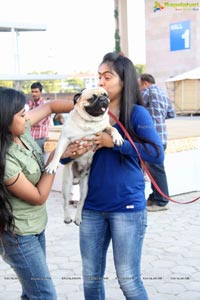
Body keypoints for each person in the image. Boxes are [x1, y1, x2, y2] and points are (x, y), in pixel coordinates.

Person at [60, 52, 164, 300]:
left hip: (126, 208)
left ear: (124, 81)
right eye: (99, 77)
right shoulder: (83, 114)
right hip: (91, 208)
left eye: (107, 77)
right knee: (91, 279)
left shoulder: (136, 114)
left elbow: (156, 153)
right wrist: (68, 153)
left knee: (128, 280)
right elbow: (65, 156)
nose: (101, 82)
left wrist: (115, 143)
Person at [0, 87, 82, 299]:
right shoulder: (5, 161)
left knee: (32, 293)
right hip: (18, 236)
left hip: (36, 227)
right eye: (21, 114)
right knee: (45, 295)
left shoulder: (21, 131)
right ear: (5, 119)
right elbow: (39, 197)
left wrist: (84, 104)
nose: (27, 117)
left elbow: (51, 106)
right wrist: (56, 156)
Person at [138, 73, 176, 212]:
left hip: (151, 138)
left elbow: (134, 107)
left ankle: (161, 201)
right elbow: (171, 114)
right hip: (162, 138)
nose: (139, 87)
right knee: (155, 169)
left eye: (139, 84)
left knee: (156, 170)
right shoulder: (163, 95)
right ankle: (155, 196)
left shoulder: (147, 93)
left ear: (145, 83)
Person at [28, 81, 50, 151]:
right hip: (31, 137)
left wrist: (29, 120)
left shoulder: (45, 105)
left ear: (41, 92)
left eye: (36, 91)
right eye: (32, 92)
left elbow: (38, 122)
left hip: (40, 138)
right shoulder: (31, 103)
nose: (34, 94)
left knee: (39, 160)